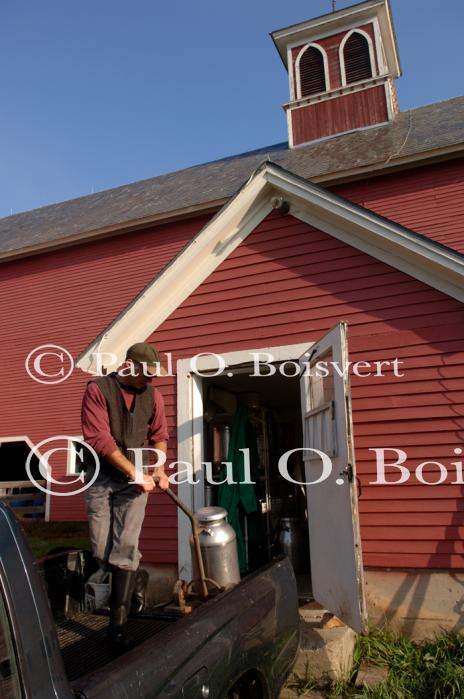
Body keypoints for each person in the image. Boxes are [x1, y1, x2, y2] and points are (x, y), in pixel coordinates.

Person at [81, 342, 169, 653]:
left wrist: (157, 469)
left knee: (126, 546)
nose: (150, 380)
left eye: (153, 375)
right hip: (102, 478)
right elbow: (99, 440)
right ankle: (139, 577)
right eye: (146, 373)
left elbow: (159, 436)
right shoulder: (97, 390)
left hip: (134, 483)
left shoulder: (153, 396)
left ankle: (116, 627)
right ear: (129, 365)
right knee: (102, 550)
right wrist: (136, 472)